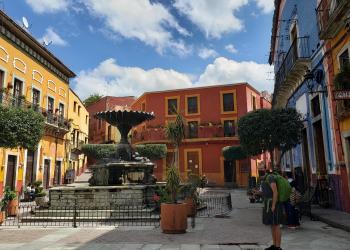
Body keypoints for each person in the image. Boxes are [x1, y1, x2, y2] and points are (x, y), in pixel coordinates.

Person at [261, 170, 285, 250]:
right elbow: (268, 192)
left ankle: (278, 247)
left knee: (276, 225)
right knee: (272, 225)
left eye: (261, 167)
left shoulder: (270, 178)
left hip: (274, 204)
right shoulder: (265, 179)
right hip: (269, 204)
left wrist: (274, 205)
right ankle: (274, 245)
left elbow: (275, 192)